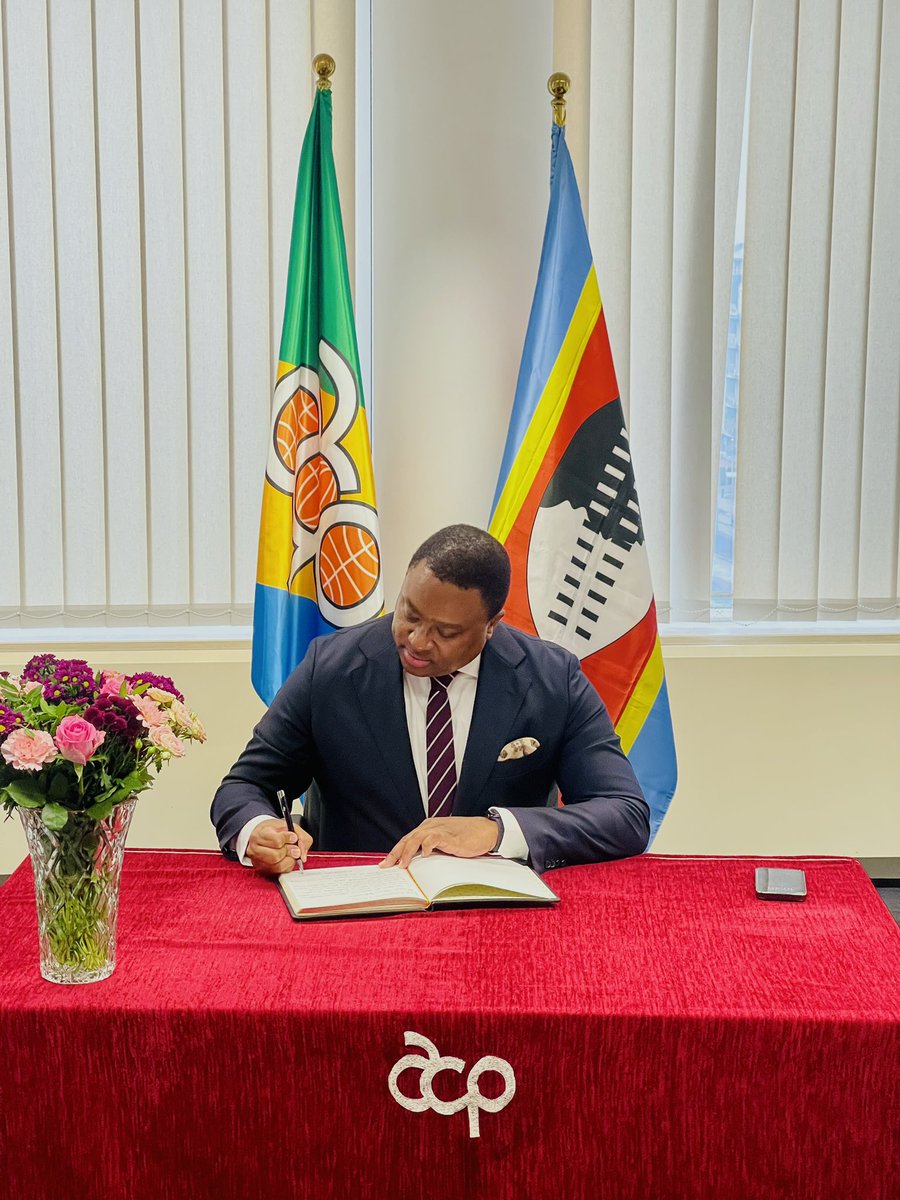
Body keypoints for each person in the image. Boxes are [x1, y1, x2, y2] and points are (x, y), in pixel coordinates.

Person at [211, 524, 650, 876]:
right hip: (358, 906)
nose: (417, 642)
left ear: (492, 624)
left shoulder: (552, 678)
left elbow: (625, 814)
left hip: (499, 912)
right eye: (410, 614)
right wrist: (258, 830)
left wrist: (497, 831)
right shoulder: (330, 669)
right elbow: (243, 787)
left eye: (447, 632)